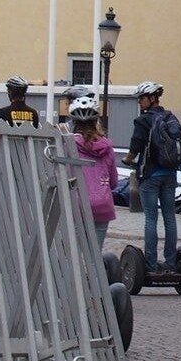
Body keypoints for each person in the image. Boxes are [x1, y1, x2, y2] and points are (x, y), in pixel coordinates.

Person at [123, 81, 181, 273]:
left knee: (151, 218)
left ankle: (150, 264)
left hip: (150, 175)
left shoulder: (143, 120)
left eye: (142, 98)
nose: (139, 102)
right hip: (170, 174)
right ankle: (171, 263)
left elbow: (136, 144)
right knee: (170, 218)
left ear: (152, 98)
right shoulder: (170, 117)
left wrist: (128, 158)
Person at [69, 95, 118, 248]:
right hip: (102, 204)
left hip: (77, 204)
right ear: (96, 122)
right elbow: (114, 182)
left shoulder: (68, 145)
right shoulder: (107, 147)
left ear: (74, 122)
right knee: (95, 256)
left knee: (74, 255)